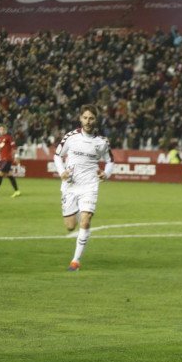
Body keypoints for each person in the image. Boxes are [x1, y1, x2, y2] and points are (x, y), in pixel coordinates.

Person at [53, 105, 114, 271]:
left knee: (85, 220)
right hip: (70, 185)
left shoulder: (102, 142)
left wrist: (106, 174)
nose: (88, 121)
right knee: (70, 226)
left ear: (96, 120)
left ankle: (75, 261)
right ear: (80, 118)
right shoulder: (71, 137)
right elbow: (57, 155)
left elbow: (110, 161)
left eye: (91, 118)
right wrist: (61, 172)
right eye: (85, 118)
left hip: (89, 185)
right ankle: (82, 216)